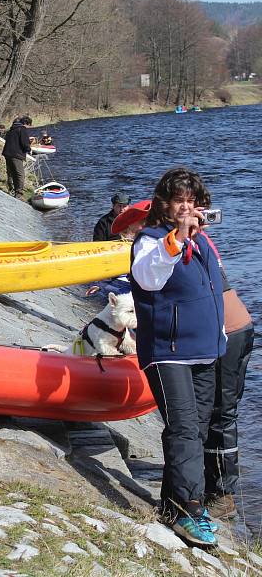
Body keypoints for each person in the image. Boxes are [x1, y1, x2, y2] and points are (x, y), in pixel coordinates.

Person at [129, 167, 225, 546]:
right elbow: (148, 277)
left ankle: (172, 505)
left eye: (193, 202)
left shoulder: (202, 243)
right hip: (169, 354)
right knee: (184, 429)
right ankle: (191, 510)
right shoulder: (151, 241)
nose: (186, 209)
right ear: (164, 205)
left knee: (196, 432)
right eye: (179, 202)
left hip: (205, 351)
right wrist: (177, 239)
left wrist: (221, 336)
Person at [203, 247, 254, 519]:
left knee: (220, 413)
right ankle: (215, 486)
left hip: (228, 333)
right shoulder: (195, 242)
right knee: (220, 412)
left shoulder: (178, 248)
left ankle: (223, 495)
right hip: (239, 328)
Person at [1, 116, 32, 198]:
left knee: (12, 172)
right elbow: (24, 143)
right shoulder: (22, 129)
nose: (28, 128)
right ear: (26, 123)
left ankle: (12, 189)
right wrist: (29, 149)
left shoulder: (12, 128)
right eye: (29, 125)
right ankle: (19, 193)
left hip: (7, 153)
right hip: (16, 155)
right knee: (20, 174)